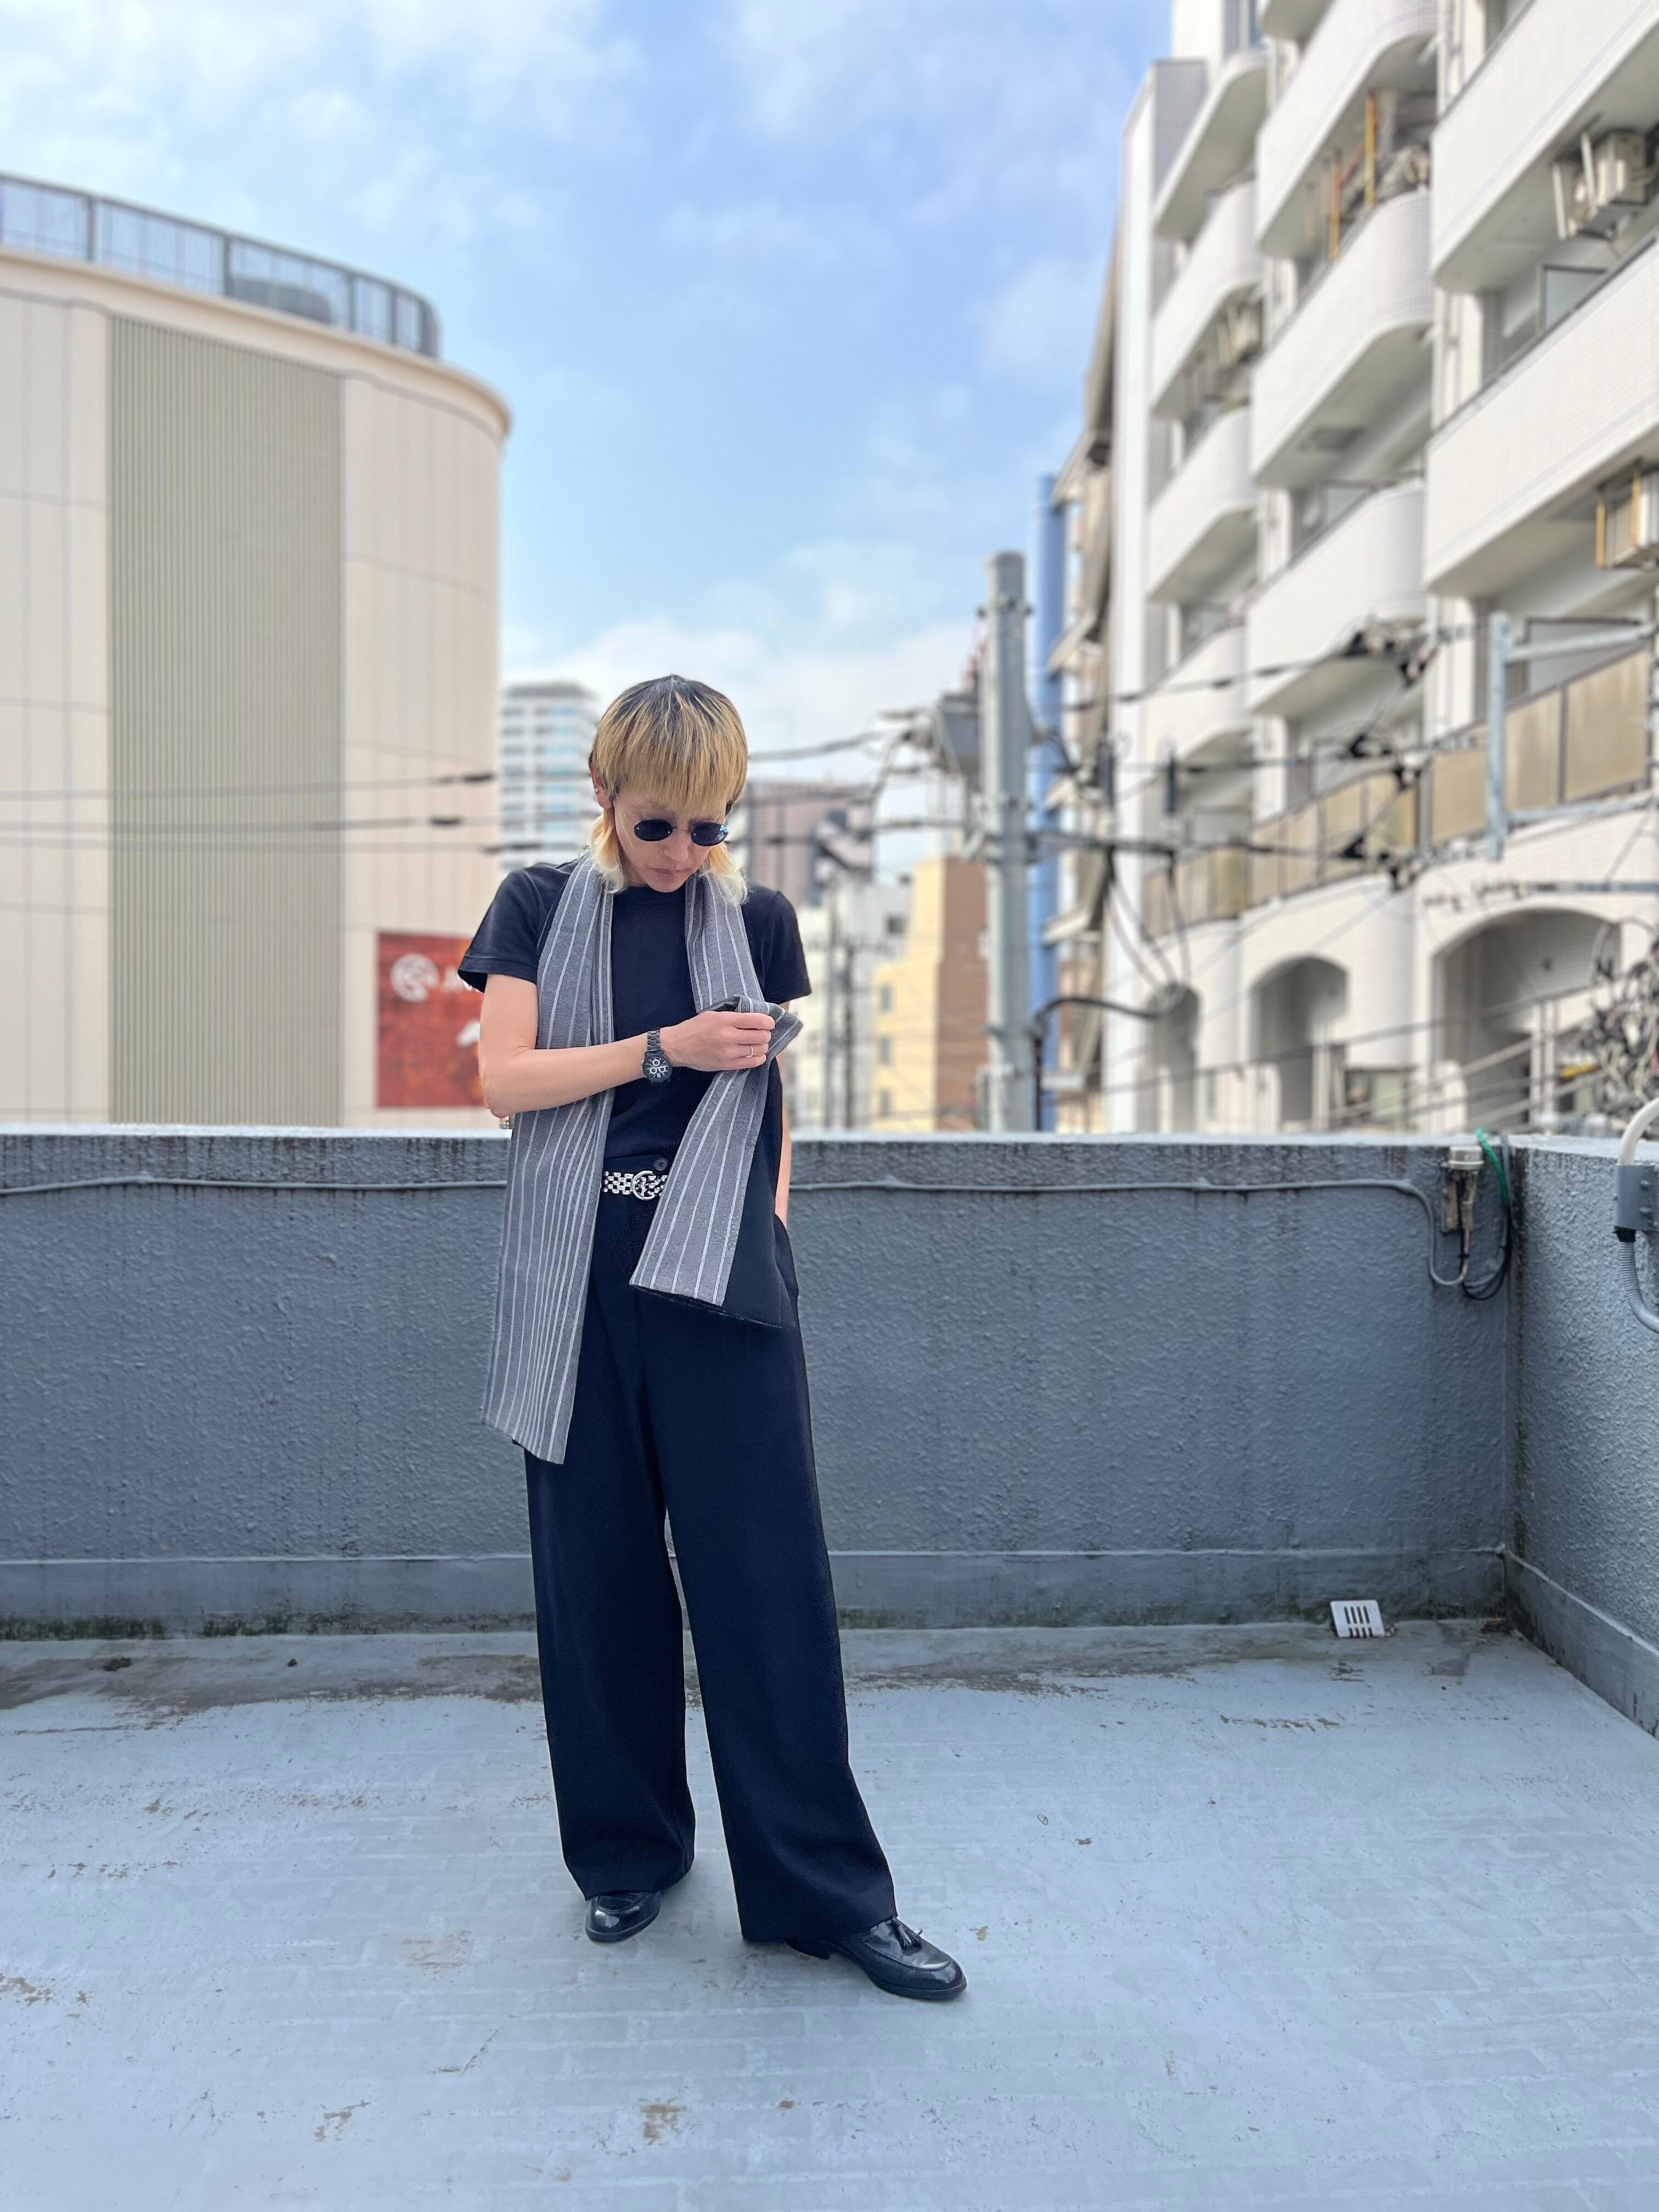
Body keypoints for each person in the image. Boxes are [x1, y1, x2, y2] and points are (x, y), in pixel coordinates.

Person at [459, 674, 966, 2003]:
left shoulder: (760, 921)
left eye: (709, 826)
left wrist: (768, 1234)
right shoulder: (535, 905)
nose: (683, 852)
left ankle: (828, 1898)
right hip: (578, 1270)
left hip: (721, 1274)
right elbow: (502, 1082)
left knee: (768, 1583)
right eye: (657, 825)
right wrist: (663, 1049)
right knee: (598, 1576)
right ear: (602, 793)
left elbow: (769, 1102)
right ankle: (627, 1854)